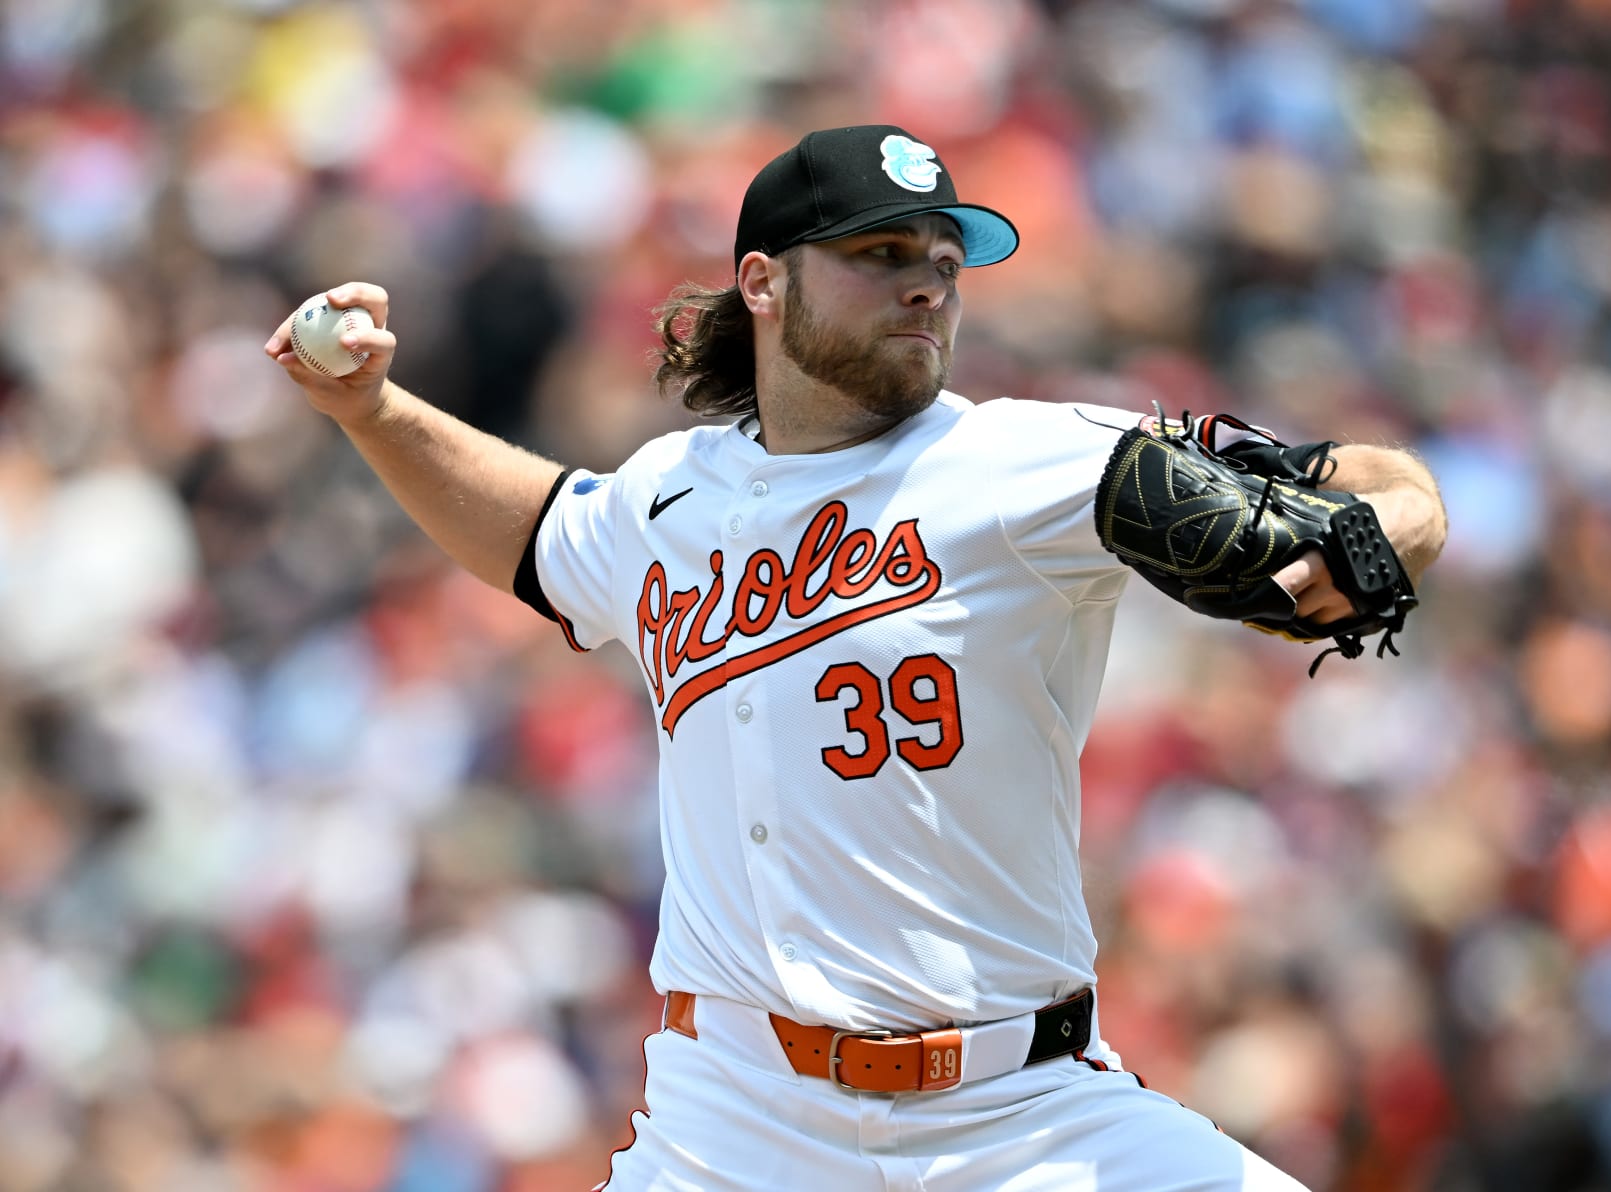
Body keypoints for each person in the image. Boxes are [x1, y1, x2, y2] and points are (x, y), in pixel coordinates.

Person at [266, 124, 1447, 1191]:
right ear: (764, 284)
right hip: (729, 1123)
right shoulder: (670, 499)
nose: (926, 280)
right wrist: (373, 412)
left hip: (1018, 1114)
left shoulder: (1030, 462)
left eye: (943, 256)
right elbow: (532, 529)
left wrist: (1391, 531)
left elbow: (1386, 490)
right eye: (880, 253)